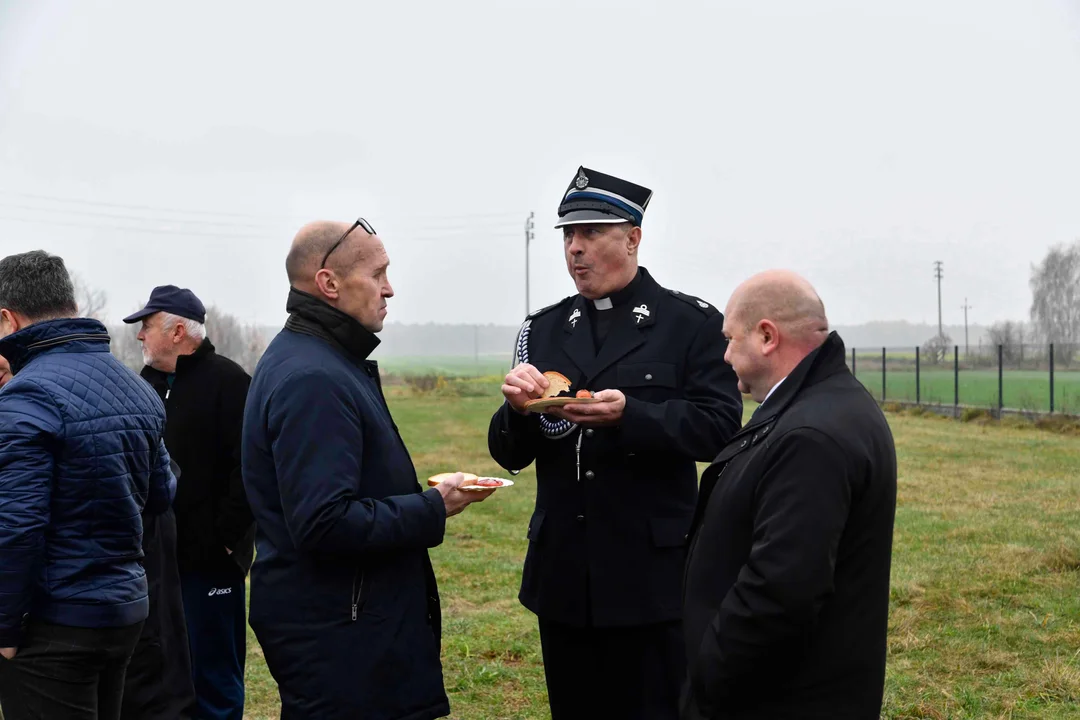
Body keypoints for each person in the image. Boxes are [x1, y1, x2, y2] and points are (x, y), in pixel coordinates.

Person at [488, 167, 743, 720]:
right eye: (567, 236)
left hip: (649, 579)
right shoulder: (544, 329)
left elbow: (721, 426)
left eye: (592, 233)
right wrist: (516, 411)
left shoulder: (690, 324)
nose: (574, 249)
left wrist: (633, 417)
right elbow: (510, 453)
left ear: (633, 237)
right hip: (563, 579)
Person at [243, 219, 494, 719]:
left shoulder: (322, 358)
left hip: (346, 629)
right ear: (329, 284)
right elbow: (324, 522)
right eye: (378, 274)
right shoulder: (313, 376)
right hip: (342, 639)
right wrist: (432, 507)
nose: (390, 288)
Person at [680, 270, 898, 720]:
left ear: (766, 336)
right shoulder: (821, 406)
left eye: (729, 339)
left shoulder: (810, 436)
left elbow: (780, 594)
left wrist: (707, 681)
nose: (724, 355)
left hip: (783, 699)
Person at [0, 251, 175, 720]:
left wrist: (5, 628)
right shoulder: (136, 387)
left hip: (54, 621)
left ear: (7, 318)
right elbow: (162, 493)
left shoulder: (26, 394)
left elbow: (18, 525)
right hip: (123, 612)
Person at [123, 286, 253, 720]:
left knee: (214, 676)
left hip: (209, 565)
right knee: (164, 676)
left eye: (146, 326)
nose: (140, 336)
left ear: (178, 331)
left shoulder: (231, 383)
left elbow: (250, 470)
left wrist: (225, 542)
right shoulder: (145, 386)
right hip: (155, 564)